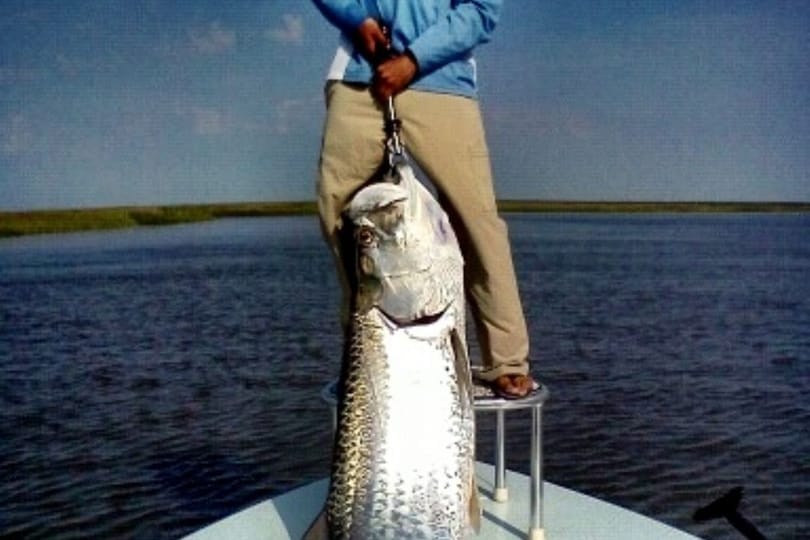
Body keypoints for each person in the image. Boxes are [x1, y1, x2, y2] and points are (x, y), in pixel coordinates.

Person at [312, 0, 534, 398]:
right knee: (340, 217)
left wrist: (413, 60)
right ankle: (366, 352)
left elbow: (482, 11)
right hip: (358, 76)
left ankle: (506, 360)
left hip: (442, 79)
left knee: (475, 220)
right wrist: (357, 19)